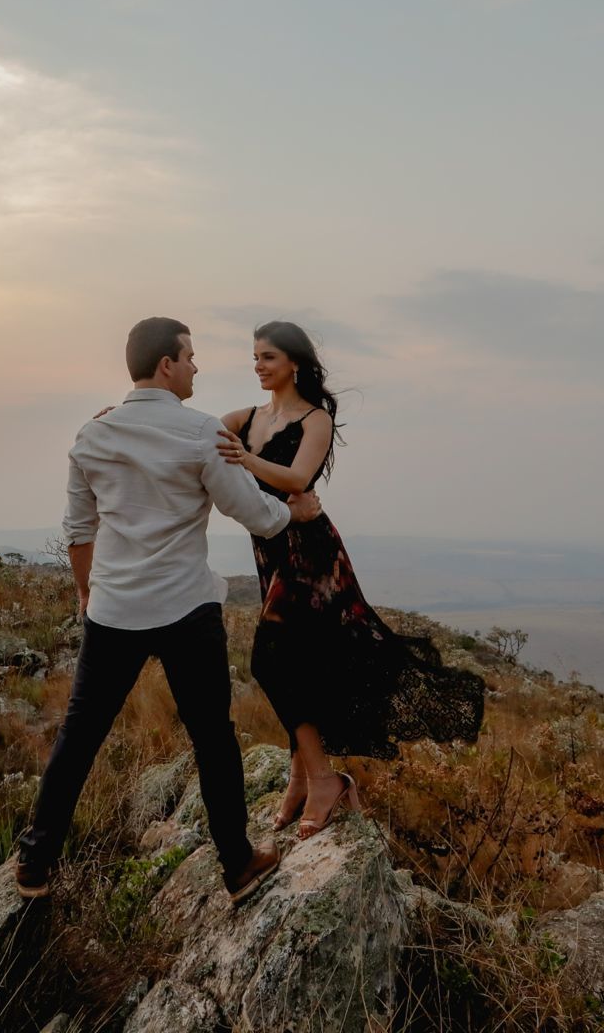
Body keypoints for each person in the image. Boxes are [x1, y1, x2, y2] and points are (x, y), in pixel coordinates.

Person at [15, 317, 323, 905]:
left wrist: (87, 592)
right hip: (185, 608)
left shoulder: (93, 434)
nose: (196, 367)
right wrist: (297, 515)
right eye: (189, 357)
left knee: (80, 735)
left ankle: (35, 862)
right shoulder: (199, 433)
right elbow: (254, 513)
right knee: (212, 737)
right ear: (166, 365)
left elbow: (80, 529)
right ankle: (237, 862)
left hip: (113, 609)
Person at [216, 320, 485, 839]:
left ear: (293, 362)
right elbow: (188, 431)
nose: (258, 366)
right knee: (297, 662)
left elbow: (297, 478)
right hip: (271, 548)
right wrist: (133, 413)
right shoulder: (244, 417)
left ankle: (324, 780)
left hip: (310, 553)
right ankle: (301, 780)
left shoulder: (315, 418)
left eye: (268, 357)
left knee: (270, 659)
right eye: (254, 357)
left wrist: (244, 457)